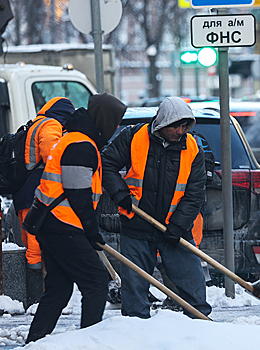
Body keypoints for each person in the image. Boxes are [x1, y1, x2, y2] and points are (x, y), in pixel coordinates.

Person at [25, 93, 127, 343]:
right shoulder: (81, 145)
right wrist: (92, 231)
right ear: (104, 120)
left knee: (59, 289)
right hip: (63, 224)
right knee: (96, 282)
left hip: (53, 223)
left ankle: (35, 341)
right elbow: (77, 192)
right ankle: (87, 342)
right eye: (114, 122)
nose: (115, 128)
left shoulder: (77, 139)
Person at [101, 96, 211, 319]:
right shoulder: (133, 137)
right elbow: (107, 164)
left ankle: (201, 327)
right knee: (134, 289)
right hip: (137, 224)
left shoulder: (193, 149)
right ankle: (136, 331)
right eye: (175, 126)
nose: (180, 131)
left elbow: (194, 193)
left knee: (193, 285)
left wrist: (179, 225)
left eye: (184, 126)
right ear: (162, 123)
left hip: (174, 228)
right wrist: (120, 194)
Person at [13, 97, 75, 305]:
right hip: (36, 193)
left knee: (31, 242)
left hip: (25, 191)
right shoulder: (50, 124)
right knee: (35, 247)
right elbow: (51, 153)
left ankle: (36, 296)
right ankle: (37, 298)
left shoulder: (36, 123)